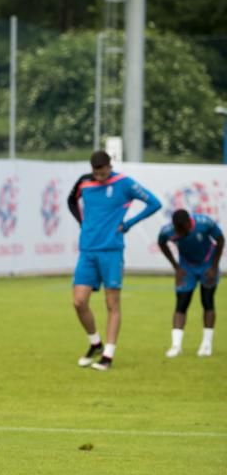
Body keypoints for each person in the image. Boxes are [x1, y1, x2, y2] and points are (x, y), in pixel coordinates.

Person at [66, 150, 161, 371]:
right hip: (87, 250)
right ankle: (95, 343)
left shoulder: (124, 183)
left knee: (112, 303)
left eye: (103, 172)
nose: (99, 177)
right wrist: (82, 222)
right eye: (96, 173)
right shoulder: (84, 182)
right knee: (79, 302)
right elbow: (71, 201)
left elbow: (154, 203)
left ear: (110, 166)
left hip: (111, 251)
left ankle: (108, 356)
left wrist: (128, 224)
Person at [157, 209, 223, 357]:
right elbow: (161, 243)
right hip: (186, 268)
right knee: (181, 304)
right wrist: (176, 266)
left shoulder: (204, 223)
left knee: (207, 302)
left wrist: (214, 267)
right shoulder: (167, 231)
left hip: (207, 266)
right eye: (177, 230)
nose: (179, 234)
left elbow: (220, 240)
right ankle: (176, 346)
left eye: (182, 230)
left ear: (189, 223)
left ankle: (206, 345)